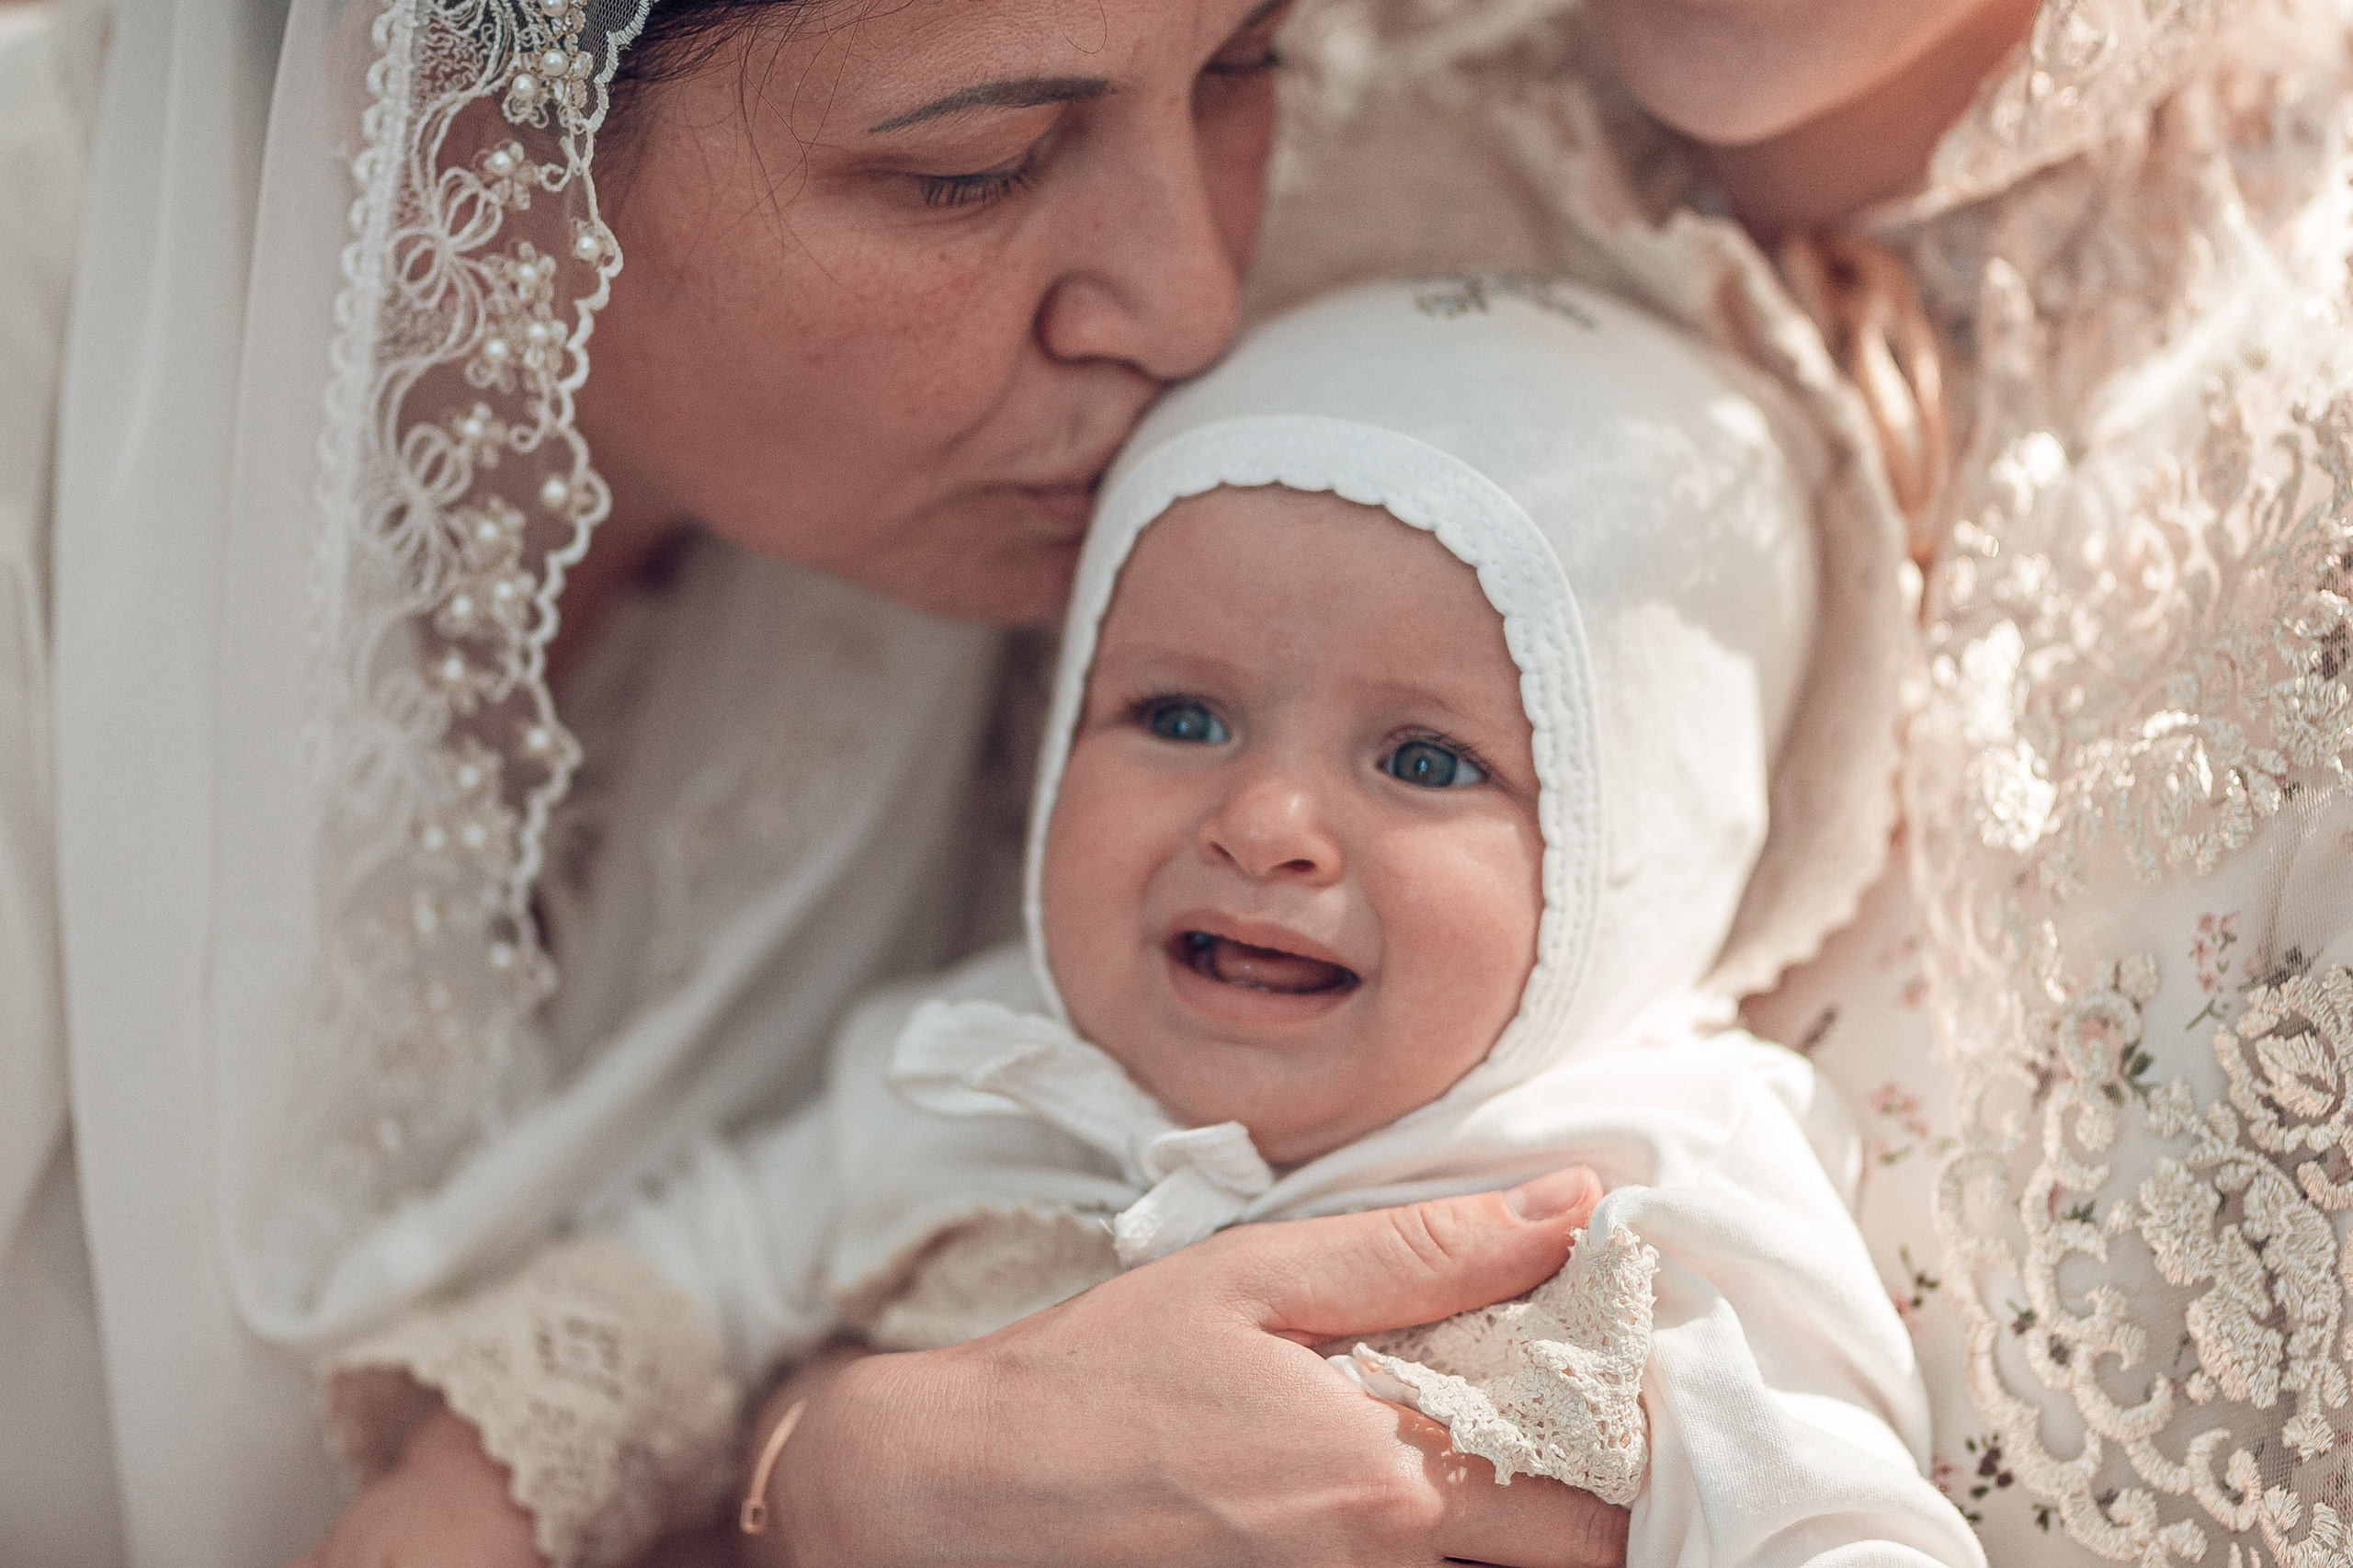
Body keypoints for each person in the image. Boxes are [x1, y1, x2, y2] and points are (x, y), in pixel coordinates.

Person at [314, 277, 1986, 1568]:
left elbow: (1825, 1508)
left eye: (1421, 757)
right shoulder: (972, 1064)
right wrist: (468, 1492)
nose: (1261, 822)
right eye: (1180, 715)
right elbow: (672, 1288)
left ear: (1641, 870)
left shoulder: (1655, 1171)